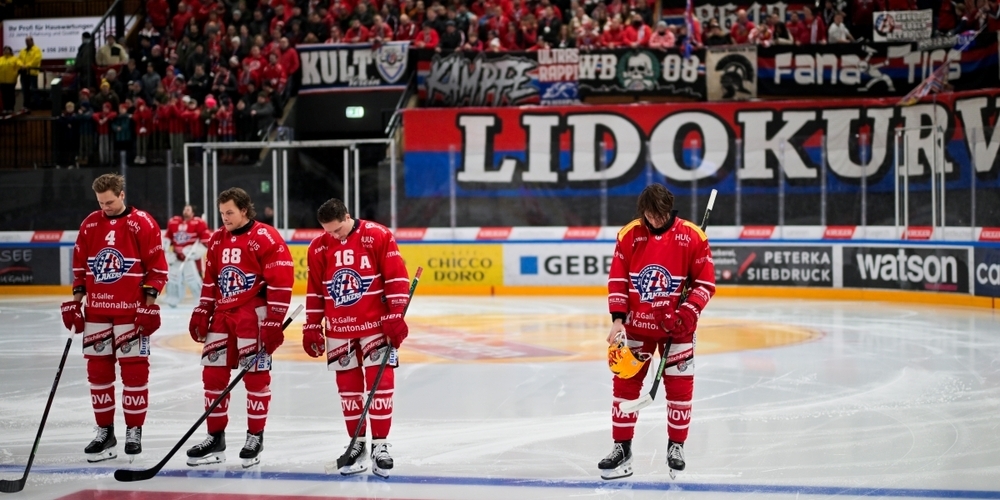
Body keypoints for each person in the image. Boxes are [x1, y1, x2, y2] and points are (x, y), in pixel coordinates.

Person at [599, 183, 715, 480]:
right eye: (650, 215)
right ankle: (622, 448)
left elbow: (705, 284)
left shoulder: (692, 236)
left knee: (679, 388)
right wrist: (617, 319)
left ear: (669, 209)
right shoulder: (629, 235)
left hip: (677, 329)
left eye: (660, 214)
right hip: (637, 326)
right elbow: (618, 280)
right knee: (624, 386)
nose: (655, 219)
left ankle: (676, 446)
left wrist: (686, 314)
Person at [61, 173, 168, 462]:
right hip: (97, 310)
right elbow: (80, 267)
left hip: (130, 312)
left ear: (122, 195)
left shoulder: (142, 222)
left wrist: (149, 306)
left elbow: (157, 268)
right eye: (100, 202)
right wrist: (76, 304)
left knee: (134, 373)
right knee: (98, 374)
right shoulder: (90, 223)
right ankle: (105, 432)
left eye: (109, 202)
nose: (104, 207)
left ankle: (134, 430)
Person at [301, 198, 410, 478]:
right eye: (328, 231)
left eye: (337, 229)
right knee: (348, 390)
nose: (334, 236)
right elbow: (315, 289)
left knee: (380, 385)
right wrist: (311, 324)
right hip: (338, 328)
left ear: (347, 217)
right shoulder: (318, 246)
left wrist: (396, 314)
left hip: (375, 326)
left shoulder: (378, 235)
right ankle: (357, 444)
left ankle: (380, 446)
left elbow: (396, 278)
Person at [186, 187, 294, 468]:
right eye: (222, 213)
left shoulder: (265, 236)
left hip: (252, 314)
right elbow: (211, 279)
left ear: (244, 210)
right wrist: (203, 310)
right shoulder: (217, 239)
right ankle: (215, 438)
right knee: (212, 375)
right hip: (222, 314)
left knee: (256, 377)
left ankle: (255, 437)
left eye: (230, 212)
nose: (225, 218)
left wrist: (274, 320)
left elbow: (281, 281)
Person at [164, 204, 212, 307]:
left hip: (190, 259)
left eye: (188, 209)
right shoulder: (174, 222)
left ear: (193, 213)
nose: (186, 211)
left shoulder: (198, 223)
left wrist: (195, 252)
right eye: (185, 209)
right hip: (176, 257)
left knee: (193, 280)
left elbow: (206, 242)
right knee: (173, 280)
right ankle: (172, 300)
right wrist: (167, 252)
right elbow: (167, 238)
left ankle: (202, 301)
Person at [17, 36, 42, 109]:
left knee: (34, 90)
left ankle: (37, 106)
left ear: (32, 41)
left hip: (32, 73)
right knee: (25, 90)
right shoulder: (23, 50)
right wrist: (21, 65)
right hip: (24, 73)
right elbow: (18, 60)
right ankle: (26, 106)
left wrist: (27, 66)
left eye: (28, 41)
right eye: (26, 41)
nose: (27, 42)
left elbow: (36, 60)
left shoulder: (37, 50)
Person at [0, 46, 19, 113]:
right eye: (5, 50)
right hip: (2, 81)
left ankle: (11, 108)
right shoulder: (0, 59)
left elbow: (19, 65)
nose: (6, 51)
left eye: (7, 50)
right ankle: (5, 108)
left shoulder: (14, 59)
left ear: (10, 51)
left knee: (10, 95)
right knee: (4, 95)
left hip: (11, 80)